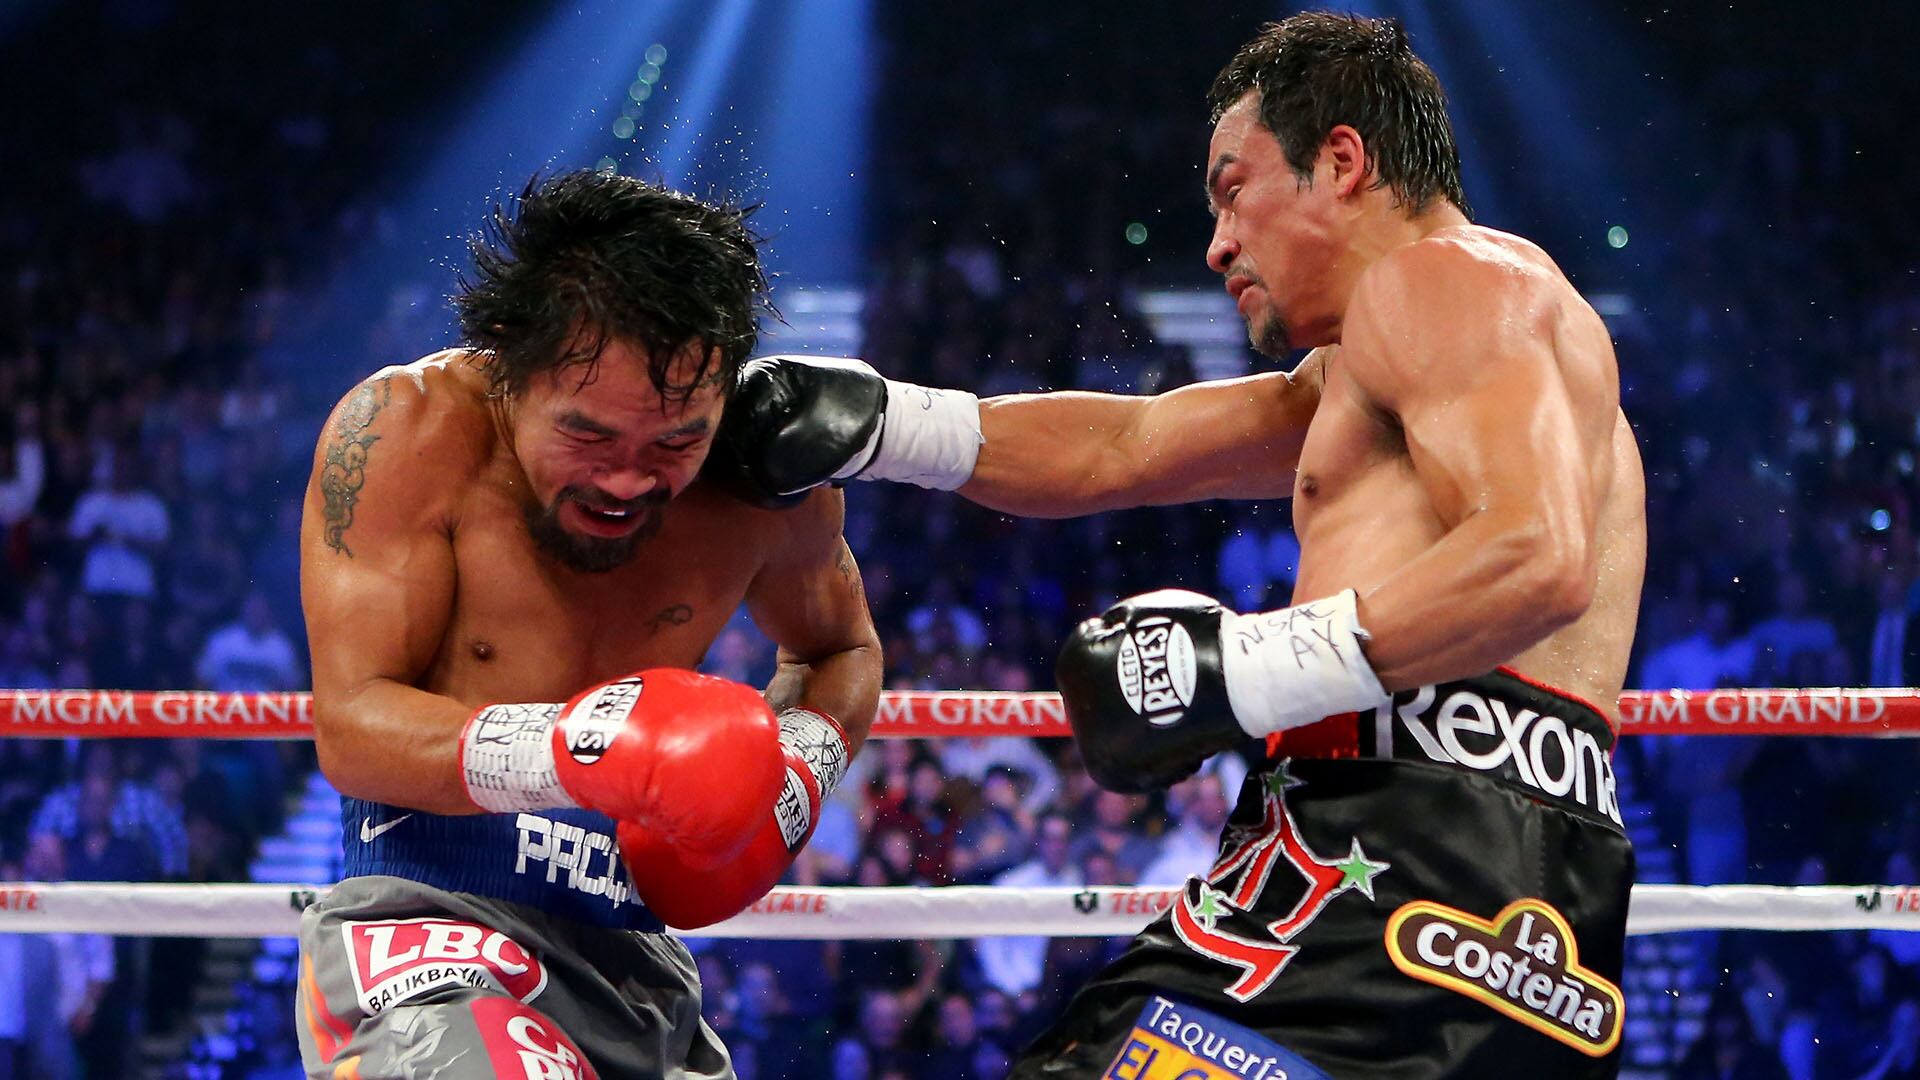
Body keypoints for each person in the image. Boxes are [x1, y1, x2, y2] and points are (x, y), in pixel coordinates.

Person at [714, 13, 1645, 1077]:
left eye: (1233, 188)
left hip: (1407, 868)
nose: (1217, 244)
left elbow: (1540, 556)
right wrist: (887, 422)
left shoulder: (1451, 281)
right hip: (1502, 903)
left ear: (1341, 161)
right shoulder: (1377, 366)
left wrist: (1242, 670)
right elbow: (1127, 444)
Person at [294, 169, 882, 1080]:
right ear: (507, 361)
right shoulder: (407, 433)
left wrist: (793, 774)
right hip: (431, 929)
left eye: (675, 442)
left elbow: (841, 648)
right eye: (590, 436)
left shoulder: (764, 485)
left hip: (637, 965)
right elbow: (351, 727)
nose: (628, 480)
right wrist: (575, 746)